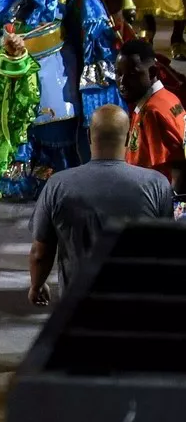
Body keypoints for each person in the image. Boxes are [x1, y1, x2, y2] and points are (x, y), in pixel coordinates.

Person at [28, 105, 173, 304]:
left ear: (89, 136)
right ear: (130, 137)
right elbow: (166, 248)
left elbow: (40, 252)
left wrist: (37, 285)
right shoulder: (157, 184)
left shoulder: (58, 185)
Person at [118, 38, 186, 194]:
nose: (122, 82)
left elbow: (175, 168)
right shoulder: (168, 97)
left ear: (153, 72)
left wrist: (167, 212)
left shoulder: (151, 112)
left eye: (132, 74)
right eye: (119, 73)